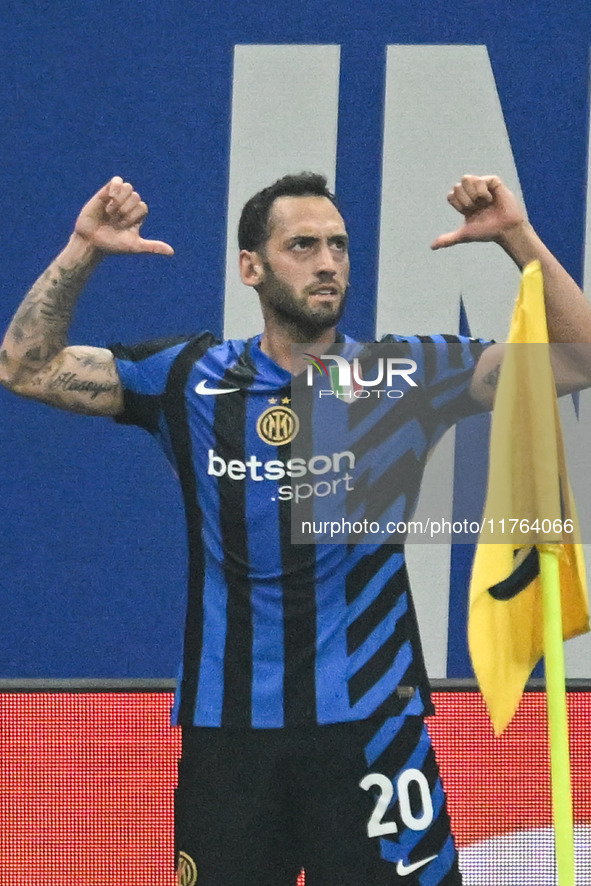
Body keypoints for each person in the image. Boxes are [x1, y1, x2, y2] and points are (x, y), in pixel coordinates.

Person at [1, 172, 590, 886]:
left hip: (373, 728)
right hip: (230, 740)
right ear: (250, 267)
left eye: (338, 246)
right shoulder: (188, 376)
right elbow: (26, 369)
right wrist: (82, 250)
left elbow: (579, 360)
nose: (327, 262)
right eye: (302, 245)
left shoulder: (399, 376)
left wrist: (515, 237)